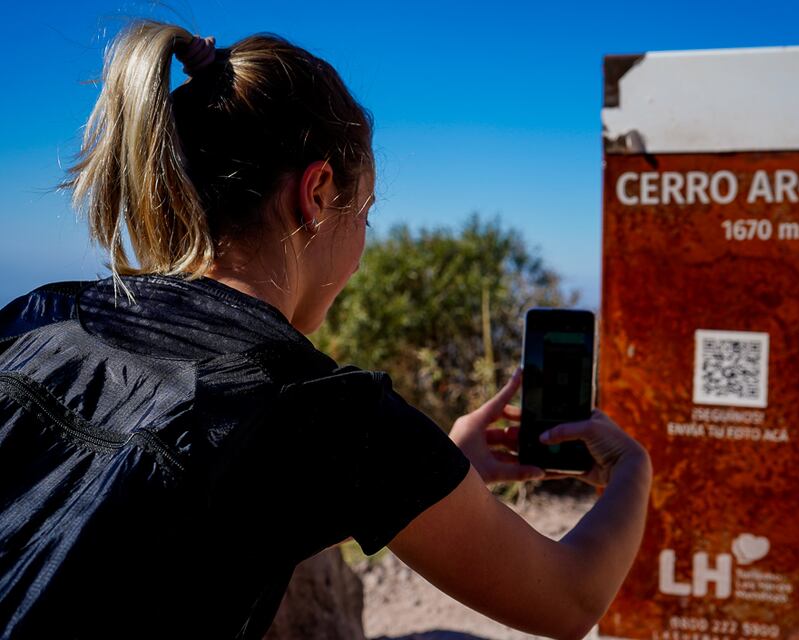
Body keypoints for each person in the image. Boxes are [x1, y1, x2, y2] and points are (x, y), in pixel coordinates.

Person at [0, 19, 652, 640]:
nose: (363, 242)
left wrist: (436, 469)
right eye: (364, 212)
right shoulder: (325, 414)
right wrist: (632, 468)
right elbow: (567, 599)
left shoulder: (40, 315)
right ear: (316, 194)